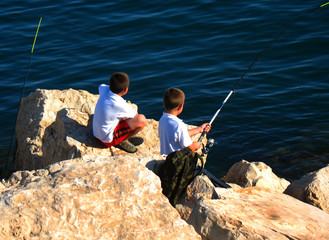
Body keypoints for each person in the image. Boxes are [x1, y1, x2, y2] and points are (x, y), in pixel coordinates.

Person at [93, 72, 146, 153]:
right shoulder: (119, 104)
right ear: (126, 90)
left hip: (96, 133)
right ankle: (121, 141)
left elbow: (101, 85)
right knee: (141, 120)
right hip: (106, 140)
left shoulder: (103, 89)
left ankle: (120, 137)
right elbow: (135, 116)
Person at [158, 88, 210, 155]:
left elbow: (179, 134)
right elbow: (190, 148)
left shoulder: (162, 119)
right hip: (177, 162)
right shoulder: (179, 125)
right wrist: (197, 145)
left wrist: (199, 129)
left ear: (164, 103)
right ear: (180, 106)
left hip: (166, 159)